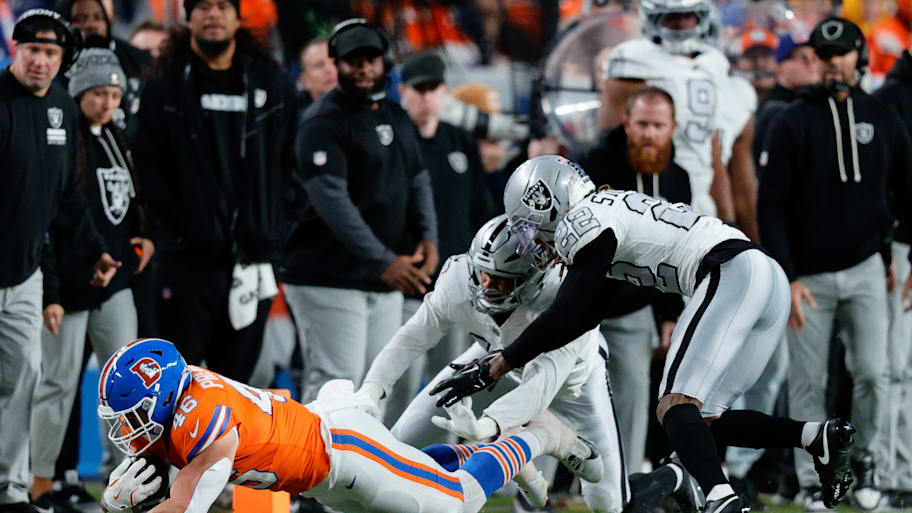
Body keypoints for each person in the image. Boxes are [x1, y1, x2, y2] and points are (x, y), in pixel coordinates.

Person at [430, 155, 859, 513]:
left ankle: (721, 499)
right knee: (704, 418)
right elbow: (586, 314)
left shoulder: (582, 220)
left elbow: (567, 311)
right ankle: (817, 437)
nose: (535, 243)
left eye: (529, 227)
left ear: (546, 204)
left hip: (729, 272)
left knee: (674, 405)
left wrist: (498, 364)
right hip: (764, 279)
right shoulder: (609, 212)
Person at [360, 214, 703, 513]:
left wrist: (487, 428)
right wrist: (372, 389)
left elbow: (539, 390)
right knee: (403, 440)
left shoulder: (562, 307)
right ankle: (523, 467)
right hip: (492, 358)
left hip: (572, 384)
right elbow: (411, 337)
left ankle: (674, 475)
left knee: (609, 504)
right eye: (484, 275)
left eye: (502, 280)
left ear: (533, 278)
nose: (489, 287)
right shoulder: (459, 278)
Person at [94, 338, 603, 513]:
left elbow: (187, 505)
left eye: (134, 418)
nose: (130, 433)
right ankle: (507, 456)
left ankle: (539, 435)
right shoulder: (184, 400)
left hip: (342, 449)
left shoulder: (201, 417)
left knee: (453, 502)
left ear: (162, 399)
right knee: (421, 484)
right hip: (324, 475)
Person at [758, 17, 912, 511]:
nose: (834, 64)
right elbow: (771, 205)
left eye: (843, 53)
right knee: (809, 385)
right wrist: (789, 275)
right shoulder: (791, 120)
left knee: (875, 372)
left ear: (859, 58)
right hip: (809, 279)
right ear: (815, 63)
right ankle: (815, 481)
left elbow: (906, 192)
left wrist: (900, 256)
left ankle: (868, 470)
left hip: (869, 269)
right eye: (825, 57)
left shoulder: (883, 115)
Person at [134, 0, 297, 382]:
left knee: (236, 391)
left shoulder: (271, 83)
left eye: (223, 5)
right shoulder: (164, 86)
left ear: (239, 17)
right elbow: (146, 167)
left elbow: (294, 165)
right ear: (187, 17)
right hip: (184, 265)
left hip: (252, 262)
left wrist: (273, 231)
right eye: (202, 6)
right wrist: (174, 231)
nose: (213, 14)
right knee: (173, 389)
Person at [280, 19, 439, 408]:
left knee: (376, 385)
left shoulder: (395, 115)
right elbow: (331, 200)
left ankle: (360, 470)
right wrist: (385, 260)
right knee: (338, 385)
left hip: (381, 278)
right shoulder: (321, 122)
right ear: (337, 65)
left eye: (370, 59)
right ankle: (315, 470)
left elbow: (418, 177)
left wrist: (429, 237)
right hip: (327, 275)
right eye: (352, 61)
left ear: (385, 61)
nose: (363, 68)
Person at [0, 9, 120, 512]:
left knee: (23, 379)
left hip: (25, 272)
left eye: (51, 54)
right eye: (32, 51)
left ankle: (9, 489)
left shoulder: (62, 110)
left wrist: (96, 249)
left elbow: (67, 194)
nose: (40, 62)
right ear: (15, 48)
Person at [29, 47, 156, 512]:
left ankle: (126, 480)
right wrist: (55, 286)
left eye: (115, 93)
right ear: (79, 92)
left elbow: (129, 201)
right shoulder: (65, 140)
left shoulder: (116, 136)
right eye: (99, 93)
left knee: (128, 387)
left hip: (117, 281)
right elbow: (59, 213)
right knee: (57, 384)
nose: (108, 102)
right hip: (71, 282)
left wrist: (143, 237)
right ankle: (40, 482)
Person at [574, 86, 689, 473]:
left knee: (634, 397)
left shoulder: (678, 179)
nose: (649, 134)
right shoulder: (591, 166)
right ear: (626, 123)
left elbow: (676, 252)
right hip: (581, 307)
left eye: (658, 125)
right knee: (562, 392)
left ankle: (620, 483)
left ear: (673, 127)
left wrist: (671, 315)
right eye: (642, 124)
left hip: (634, 309)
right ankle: (539, 483)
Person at [398, 52, 497, 385]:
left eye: (433, 88)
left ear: (443, 92)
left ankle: (447, 441)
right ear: (403, 92)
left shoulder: (460, 141)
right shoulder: (393, 141)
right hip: (406, 286)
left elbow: (480, 212)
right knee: (398, 385)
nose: (426, 97)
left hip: (455, 287)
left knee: (451, 384)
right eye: (418, 89)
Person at [600, 0, 728, 218]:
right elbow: (608, 144)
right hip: (650, 194)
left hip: (701, 195)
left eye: (688, 15)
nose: (681, 24)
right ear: (653, 18)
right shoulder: (631, 60)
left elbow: (713, 149)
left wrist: (730, 220)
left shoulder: (715, 63)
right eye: (672, 16)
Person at [874, 44, 912, 510]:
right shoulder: (892, 98)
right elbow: (884, 187)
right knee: (895, 367)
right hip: (902, 248)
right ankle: (891, 473)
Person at [59, 0, 153, 133]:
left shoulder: (137, 59)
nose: (92, 25)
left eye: (99, 18)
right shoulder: (56, 65)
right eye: (81, 19)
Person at [753, 33, 819, 160]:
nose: (811, 64)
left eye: (814, 58)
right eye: (803, 58)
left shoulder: (813, 101)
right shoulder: (774, 109)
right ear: (780, 66)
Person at [296, 37, 336, 110]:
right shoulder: (304, 120)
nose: (329, 69)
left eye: (334, 62)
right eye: (319, 65)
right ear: (304, 81)